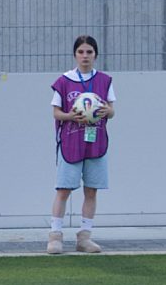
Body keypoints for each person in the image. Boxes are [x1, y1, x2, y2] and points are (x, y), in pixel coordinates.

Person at [48, 35, 116, 255]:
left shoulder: (104, 81)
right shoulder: (65, 81)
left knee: (91, 189)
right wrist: (70, 116)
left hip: (96, 141)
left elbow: (111, 110)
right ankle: (55, 236)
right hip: (71, 142)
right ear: (75, 54)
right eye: (81, 52)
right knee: (64, 189)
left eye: (89, 52)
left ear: (95, 54)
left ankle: (85, 236)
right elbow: (56, 112)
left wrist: (108, 111)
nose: (85, 56)